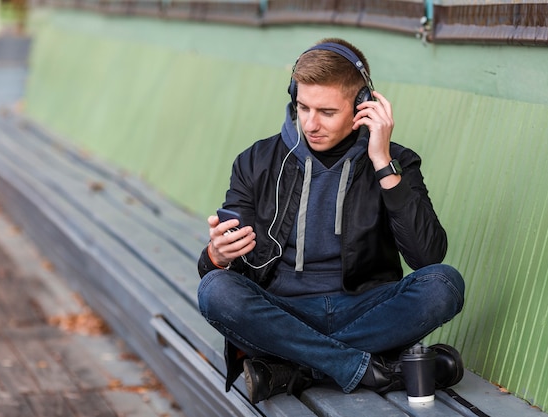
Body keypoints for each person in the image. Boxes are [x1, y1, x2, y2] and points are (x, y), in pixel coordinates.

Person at [197, 38, 465, 405]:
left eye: (326, 112)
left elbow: (427, 257)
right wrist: (217, 254)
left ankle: (301, 369)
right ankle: (366, 368)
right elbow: (217, 268)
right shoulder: (256, 161)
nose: (310, 123)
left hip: (365, 309)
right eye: (302, 107)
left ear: (362, 107)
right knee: (215, 290)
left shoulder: (396, 162)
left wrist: (383, 163)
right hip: (283, 311)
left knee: (445, 284)